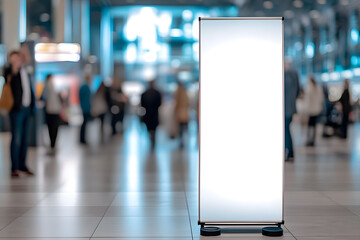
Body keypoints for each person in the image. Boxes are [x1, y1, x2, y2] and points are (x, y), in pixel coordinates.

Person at [4, 50, 35, 177]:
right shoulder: (10, 71)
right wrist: (14, 65)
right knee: (16, 138)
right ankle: (14, 167)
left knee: (24, 139)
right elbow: (10, 75)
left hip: (27, 109)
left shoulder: (25, 71)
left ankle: (22, 165)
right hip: (16, 110)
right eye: (14, 59)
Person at [41, 74, 62, 154]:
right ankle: (53, 145)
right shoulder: (54, 87)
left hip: (50, 111)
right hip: (55, 111)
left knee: (51, 129)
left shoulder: (47, 87)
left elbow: (43, 97)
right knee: (54, 129)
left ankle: (52, 145)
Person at [284, 59, 300, 161]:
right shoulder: (295, 75)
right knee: (287, 129)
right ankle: (290, 152)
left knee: (286, 130)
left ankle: (289, 152)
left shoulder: (287, 75)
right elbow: (298, 91)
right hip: (291, 108)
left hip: (286, 109)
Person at [141, 80, 162, 149]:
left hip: (150, 114)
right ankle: (152, 139)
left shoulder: (145, 93)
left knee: (151, 128)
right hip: (152, 114)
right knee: (152, 128)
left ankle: (152, 139)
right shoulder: (156, 93)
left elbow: (142, 104)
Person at [303, 76, 324, 146]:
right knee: (314, 125)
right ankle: (313, 140)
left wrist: (306, 111)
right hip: (316, 110)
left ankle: (309, 140)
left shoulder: (309, 88)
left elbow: (307, 101)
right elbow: (321, 99)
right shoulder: (318, 88)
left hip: (311, 110)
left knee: (310, 126)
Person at [174, 82, 190, 148]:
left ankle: (182, 140)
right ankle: (182, 140)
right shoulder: (184, 93)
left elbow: (177, 104)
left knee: (181, 128)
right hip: (184, 114)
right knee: (182, 128)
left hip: (181, 114)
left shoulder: (178, 93)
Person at [79, 75, 92, 144]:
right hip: (85, 108)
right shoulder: (85, 87)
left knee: (85, 124)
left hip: (85, 107)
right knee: (84, 124)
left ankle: (82, 138)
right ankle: (82, 138)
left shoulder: (85, 87)